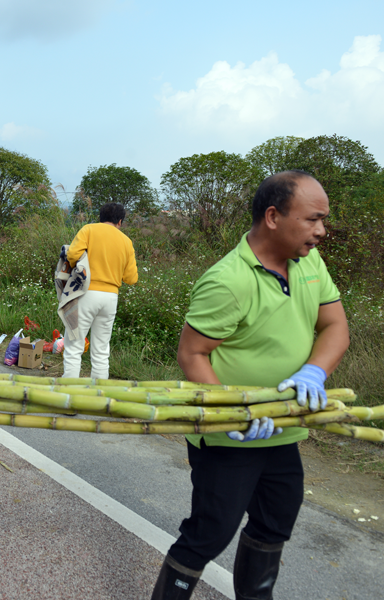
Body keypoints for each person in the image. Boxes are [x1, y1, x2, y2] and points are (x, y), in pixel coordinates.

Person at [149, 171, 350, 600]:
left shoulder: (310, 263)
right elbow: (192, 354)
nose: (321, 230)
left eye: (324, 219)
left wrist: (314, 371)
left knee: (275, 522)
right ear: (273, 217)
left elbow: (335, 326)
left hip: (284, 428)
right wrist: (232, 411)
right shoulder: (228, 279)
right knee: (209, 533)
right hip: (230, 435)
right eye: (313, 219)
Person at [62, 202, 138, 380]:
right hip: (111, 298)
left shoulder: (89, 230)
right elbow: (131, 278)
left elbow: (72, 255)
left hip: (86, 293)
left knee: (74, 347)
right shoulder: (126, 241)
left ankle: (68, 391)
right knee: (101, 351)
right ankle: (99, 394)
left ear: (100, 217)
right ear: (120, 221)